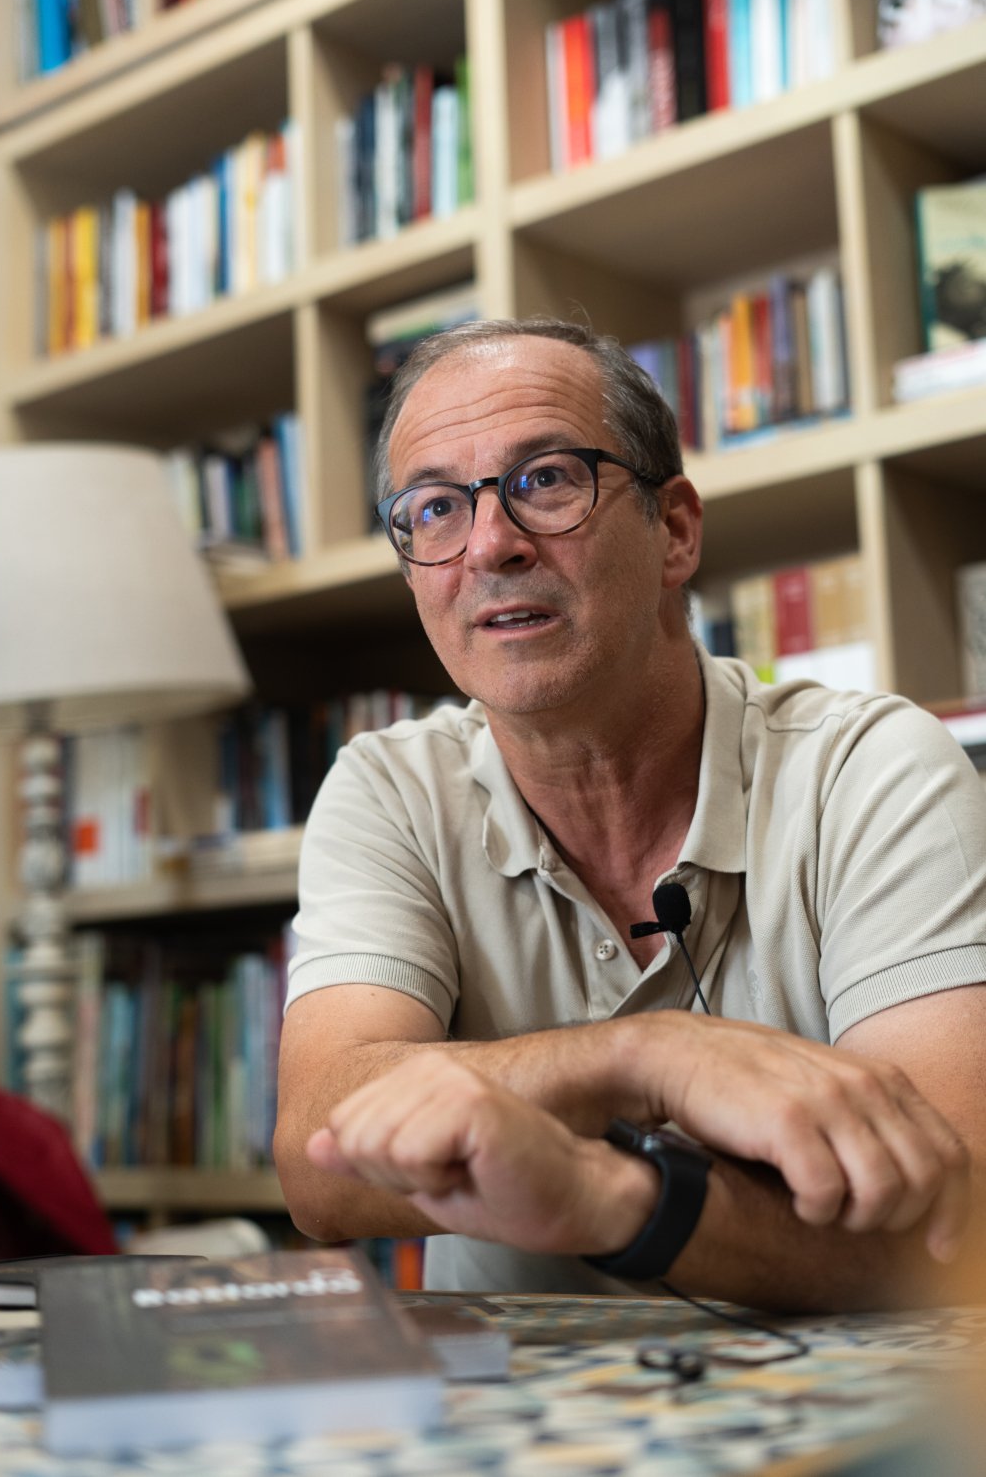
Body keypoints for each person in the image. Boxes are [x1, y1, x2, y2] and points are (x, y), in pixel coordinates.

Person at [274, 318, 986, 1311]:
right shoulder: (388, 790)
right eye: (435, 508)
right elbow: (320, 1159)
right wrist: (646, 1058)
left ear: (675, 532)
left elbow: (958, 1227)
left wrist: (605, 1197)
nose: (490, 545)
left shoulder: (870, 768)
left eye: (546, 480)